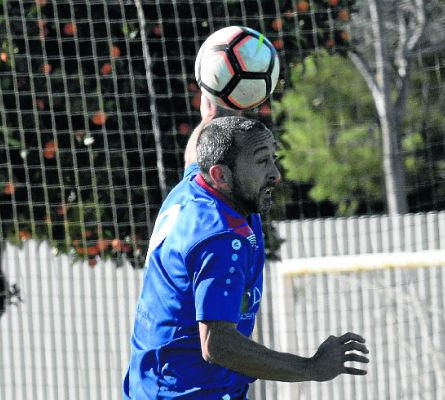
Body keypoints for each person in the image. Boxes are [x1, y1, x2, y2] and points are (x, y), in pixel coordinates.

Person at [123, 94, 370, 399]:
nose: (275, 175)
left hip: (155, 385)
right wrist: (310, 367)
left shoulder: (193, 187)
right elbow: (217, 344)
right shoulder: (220, 241)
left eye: (273, 158)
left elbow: (194, 153)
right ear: (221, 175)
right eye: (262, 162)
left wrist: (213, 106)